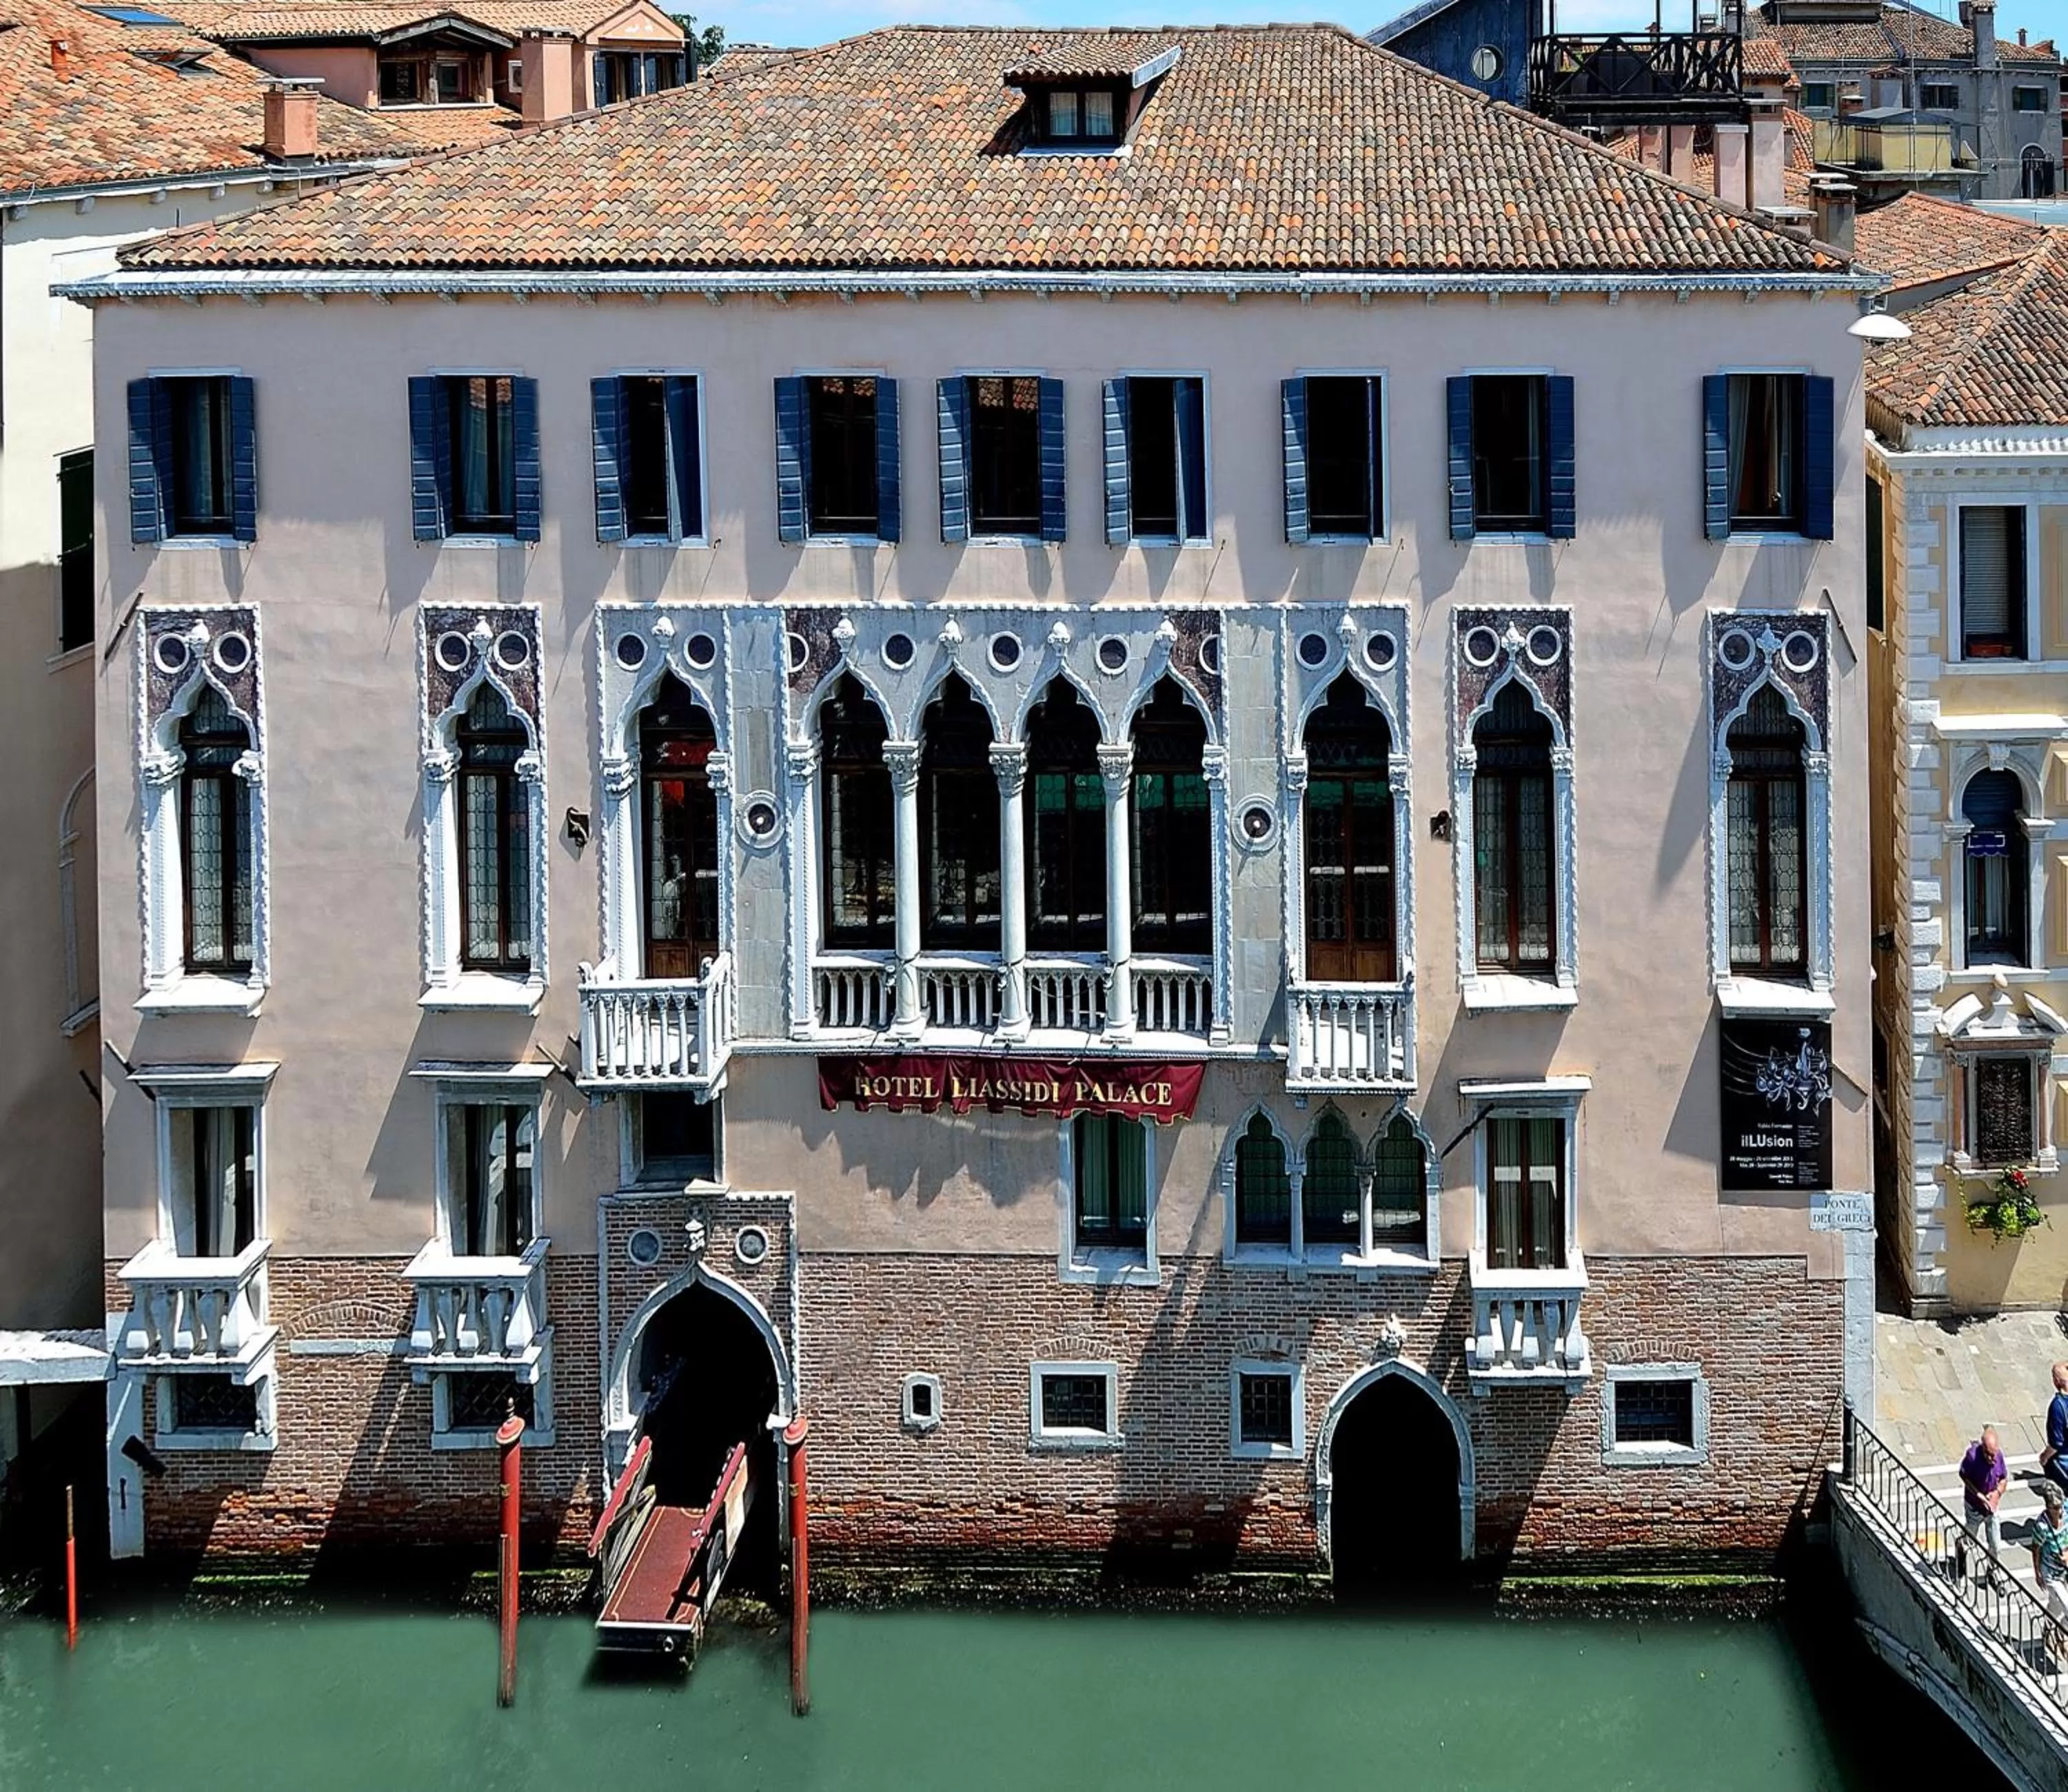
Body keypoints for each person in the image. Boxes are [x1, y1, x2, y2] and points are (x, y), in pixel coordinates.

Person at [1958, 1426, 2008, 1585]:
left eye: (1994, 1455)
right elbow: (1963, 1475)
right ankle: (1961, 1547)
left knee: (1995, 1544)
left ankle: (1992, 1571)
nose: (1992, 1459)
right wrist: (1978, 1494)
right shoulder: (1973, 1457)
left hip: (1991, 1507)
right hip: (1974, 1506)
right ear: (1982, 1449)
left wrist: (1997, 1494)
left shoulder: (1998, 1456)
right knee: (1970, 1539)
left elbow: (2003, 1479)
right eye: (1989, 1455)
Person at [2030, 1483, 2068, 1662]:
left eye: (2061, 1506)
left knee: (2056, 1604)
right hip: (2051, 1574)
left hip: (2065, 1571)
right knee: (2066, 1607)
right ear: (2048, 1507)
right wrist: (2037, 1572)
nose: (2059, 1511)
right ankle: (2062, 1634)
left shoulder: (2066, 1514)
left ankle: (2048, 1629)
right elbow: (2036, 1548)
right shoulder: (2042, 1526)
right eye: (2056, 1508)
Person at [2043, 1364, 2068, 1494]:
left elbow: (2056, 1444)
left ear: (2056, 1381)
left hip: (2063, 1459)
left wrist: (2044, 1458)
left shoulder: (2058, 1406)